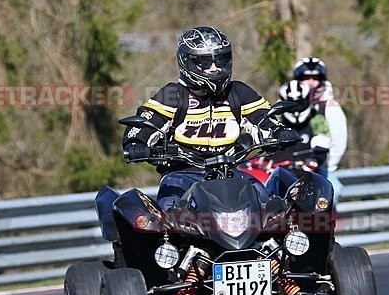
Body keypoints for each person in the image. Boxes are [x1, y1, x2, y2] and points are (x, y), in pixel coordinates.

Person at [122, 26, 299, 211]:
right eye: (205, 63)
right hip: (182, 173)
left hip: (231, 174)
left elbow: (264, 120)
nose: (215, 68)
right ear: (187, 62)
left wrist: (280, 132)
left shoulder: (238, 92)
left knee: (266, 205)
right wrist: (135, 143)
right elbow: (144, 124)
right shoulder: (172, 95)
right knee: (169, 212)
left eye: (221, 61)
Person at [292, 57, 347, 199]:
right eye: (306, 77)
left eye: (314, 77)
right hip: (290, 165)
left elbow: (339, 141)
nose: (310, 82)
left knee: (332, 192)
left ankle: (323, 221)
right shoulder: (286, 102)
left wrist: (325, 165)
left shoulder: (330, 107)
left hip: (321, 168)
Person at [272, 80, 331, 177]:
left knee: (335, 188)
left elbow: (324, 137)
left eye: (299, 105)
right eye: (290, 105)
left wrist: (317, 157)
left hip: (312, 172)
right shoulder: (275, 119)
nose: (295, 111)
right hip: (276, 171)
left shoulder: (316, 118)